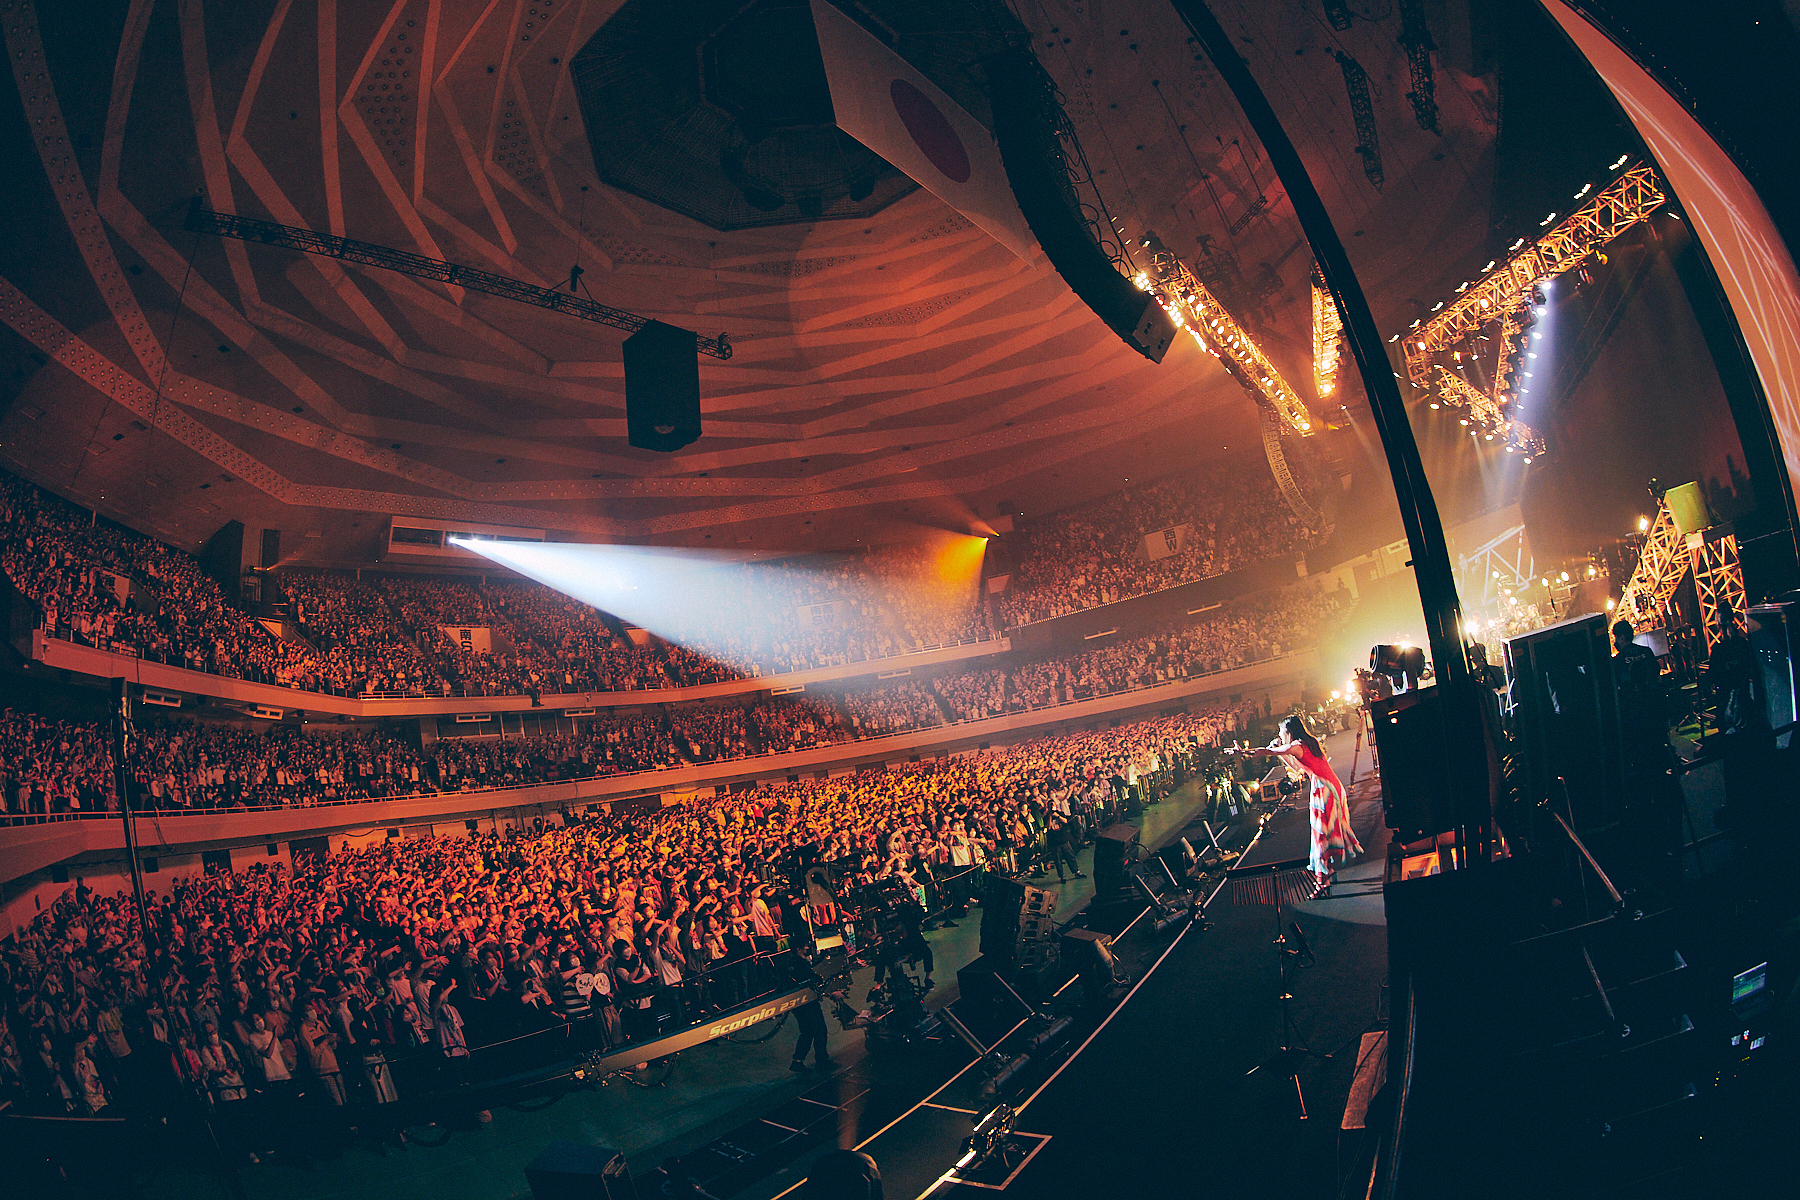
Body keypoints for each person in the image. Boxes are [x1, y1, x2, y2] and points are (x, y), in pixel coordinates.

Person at [1243, 714, 1362, 896]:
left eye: (1281, 731)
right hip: (1328, 785)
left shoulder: (1296, 746)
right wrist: (1276, 750)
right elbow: (1297, 767)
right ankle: (1327, 871)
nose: (1279, 734)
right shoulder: (1307, 743)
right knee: (1322, 832)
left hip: (1324, 789)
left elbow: (1268, 752)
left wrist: (1245, 752)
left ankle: (1322, 881)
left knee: (1320, 834)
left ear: (1288, 731)